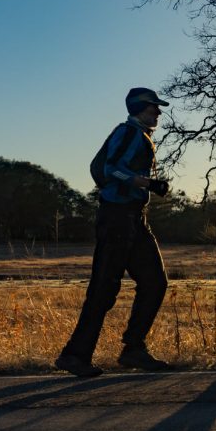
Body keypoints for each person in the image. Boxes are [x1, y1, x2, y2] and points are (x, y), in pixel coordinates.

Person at [55, 87, 173, 377]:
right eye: (153, 107)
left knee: (155, 282)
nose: (158, 112)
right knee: (104, 289)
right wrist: (148, 184)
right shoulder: (129, 132)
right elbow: (111, 170)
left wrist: (146, 185)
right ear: (138, 107)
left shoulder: (142, 135)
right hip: (117, 218)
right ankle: (74, 355)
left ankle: (133, 349)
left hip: (135, 218)